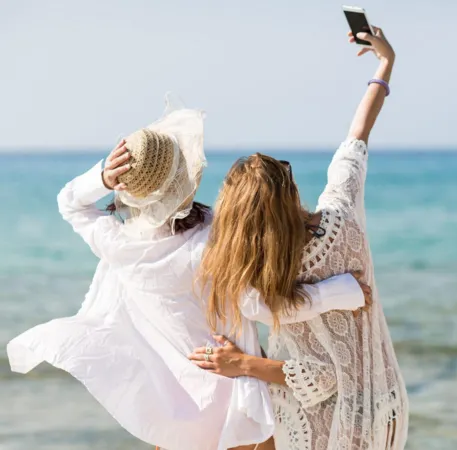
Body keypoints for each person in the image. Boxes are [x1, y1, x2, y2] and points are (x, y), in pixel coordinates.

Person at [6, 96, 371, 450]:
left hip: (174, 402)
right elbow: (261, 307)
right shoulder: (209, 245)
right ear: (185, 177)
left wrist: (101, 179)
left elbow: (70, 203)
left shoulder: (115, 241)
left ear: (128, 190)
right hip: (227, 396)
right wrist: (338, 292)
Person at [192, 27, 409, 450]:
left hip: (326, 427)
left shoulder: (268, 275)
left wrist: (242, 364)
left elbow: (318, 377)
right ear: (290, 191)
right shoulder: (342, 214)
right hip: (387, 409)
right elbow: (356, 137)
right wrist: (385, 65)